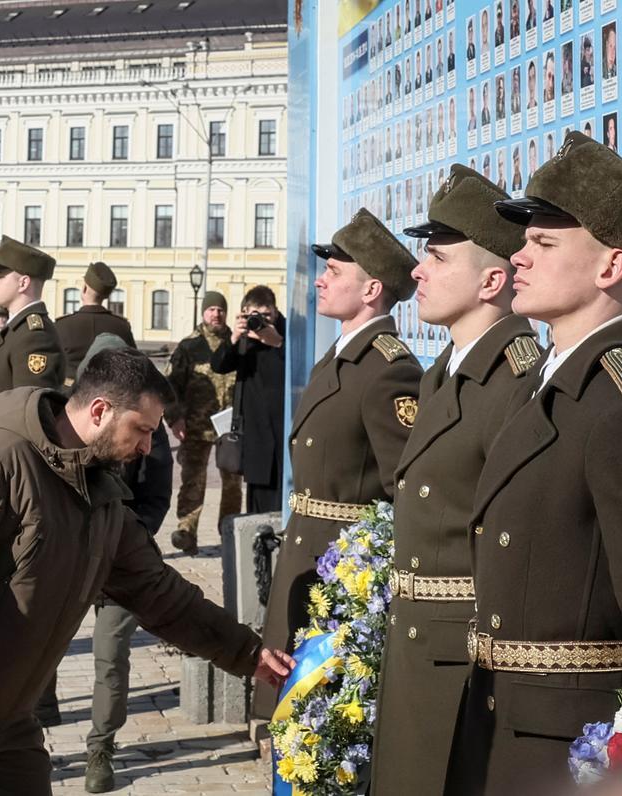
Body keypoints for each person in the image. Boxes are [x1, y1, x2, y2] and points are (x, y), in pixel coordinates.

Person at [0, 348, 293, 795]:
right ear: (100, 410)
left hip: (9, 722)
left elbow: (159, 593)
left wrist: (248, 653)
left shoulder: (101, 497)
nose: (148, 446)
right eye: (142, 429)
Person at [444, 132, 622, 795]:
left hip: (569, 749)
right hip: (504, 724)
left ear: (611, 266)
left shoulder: (620, 402)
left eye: (543, 244)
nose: (518, 257)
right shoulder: (547, 383)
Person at [371, 165, 539, 796]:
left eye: (437, 258)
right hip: (417, 645)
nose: (416, 271)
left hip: (462, 660)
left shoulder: (518, 382)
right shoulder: (443, 373)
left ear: (492, 279)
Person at [253, 208, 423, 720]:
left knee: (324, 721)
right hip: (307, 553)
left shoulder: (388, 371)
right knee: (294, 721)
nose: (322, 281)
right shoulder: (340, 357)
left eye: (335, 272)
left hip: (340, 575)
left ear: (371, 290)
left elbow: (404, 490)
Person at [78, 336, 174, 793]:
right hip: (72, 557)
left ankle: (101, 747)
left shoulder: (145, 425)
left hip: (122, 559)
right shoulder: (71, 420)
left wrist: (133, 536)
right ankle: (36, 719)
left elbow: (157, 495)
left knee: (110, 655)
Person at [164, 291, 241, 556]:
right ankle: (186, 530)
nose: (216, 314)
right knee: (193, 480)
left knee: (232, 482)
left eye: (220, 309)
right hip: (195, 426)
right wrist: (174, 418)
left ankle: (229, 532)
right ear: (203, 313)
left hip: (231, 428)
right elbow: (170, 386)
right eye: (211, 309)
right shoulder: (189, 347)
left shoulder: (238, 343)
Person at [208, 285, 287, 513]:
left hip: (282, 427)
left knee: (282, 491)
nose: (260, 322)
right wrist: (233, 337)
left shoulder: (286, 333)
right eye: (255, 316)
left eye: (266, 315)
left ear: (275, 311)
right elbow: (219, 365)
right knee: (258, 501)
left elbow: (299, 368)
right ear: (245, 313)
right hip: (255, 431)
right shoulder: (244, 339)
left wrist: (278, 342)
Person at [0, 235, 65, 411]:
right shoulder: (16, 329)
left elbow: (30, 411)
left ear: (23, 283)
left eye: (0, 275)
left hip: (8, 438)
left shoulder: (34, 336)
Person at [54, 261, 136, 383]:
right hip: (108, 395)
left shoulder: (61, 325)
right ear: (107, 296)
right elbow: (133, 364)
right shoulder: (122, 327)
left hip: (69, 395)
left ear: (84, 288)